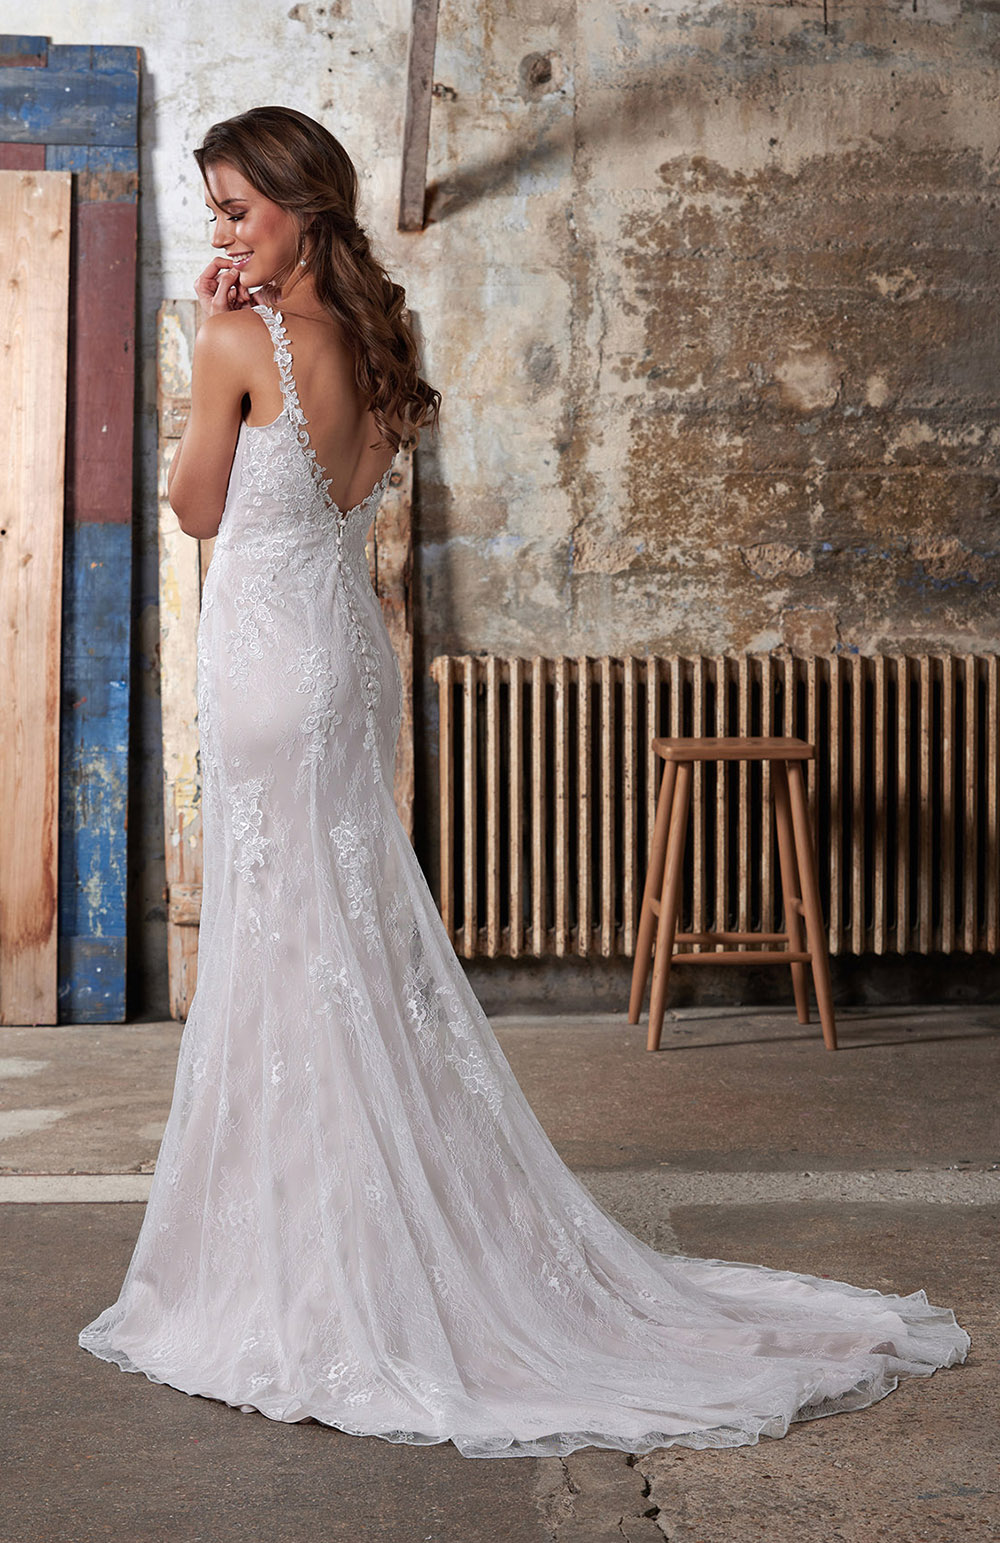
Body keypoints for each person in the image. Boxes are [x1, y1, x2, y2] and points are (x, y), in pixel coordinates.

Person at [79, 106, 970, 1459]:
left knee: (287, 946)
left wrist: (200, 335)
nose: (223, 233)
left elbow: (198, 510)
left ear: (305, 208)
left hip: (267, 670)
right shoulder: (376, 338)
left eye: (239, 211)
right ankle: (356, 1220)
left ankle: (308, 1257)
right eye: (213, 211)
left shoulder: (234, 340)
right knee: (338, 943)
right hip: (344, 663)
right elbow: (344, 494)